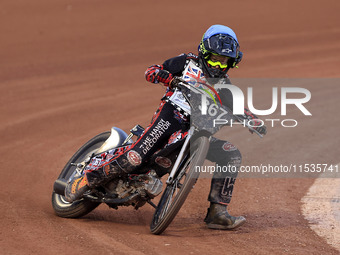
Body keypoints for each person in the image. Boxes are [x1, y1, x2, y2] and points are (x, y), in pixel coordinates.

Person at [65, 24, 267, 230]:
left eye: (225, 62)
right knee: (136, 157)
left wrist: (253, 120)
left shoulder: (225, 86)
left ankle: (218, 212)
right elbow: (152, 71)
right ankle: (86, 180)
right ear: (204, 53)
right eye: (214, 59)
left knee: (231, 153)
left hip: (197, 129)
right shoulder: (187, 62)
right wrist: (168, 78)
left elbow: (240, 108)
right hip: (172, 115)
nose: (218, 65)